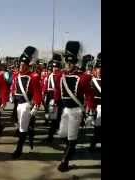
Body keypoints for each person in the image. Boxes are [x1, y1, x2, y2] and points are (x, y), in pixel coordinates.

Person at [54, 41, 94, 172]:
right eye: (67, 61)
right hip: (65, 110)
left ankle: (65, 161)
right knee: (63, 134)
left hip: (76, 111)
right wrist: (54, 106)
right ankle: (71, 149)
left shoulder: (83, 77)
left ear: (75, 62)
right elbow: (57, 93)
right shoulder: (60, 76)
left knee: (71, 136)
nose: (69, 64)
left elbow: (89, 95)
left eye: (71, 62)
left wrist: (90, 111)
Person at [10, 46, 42, 158]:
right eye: (20, 65)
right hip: (18, 104)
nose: (21, 67)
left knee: (22, 128)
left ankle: (19, 149)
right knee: (21, 126)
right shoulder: (16, 75)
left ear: (28, 66)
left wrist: (36, 106)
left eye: (23, 65)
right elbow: (14, 86)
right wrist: (11, 94)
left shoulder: (33, 77)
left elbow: (38, 93)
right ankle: (29, 133)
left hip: (26, 105)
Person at [43, 54, 64, 143]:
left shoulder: (62, 76)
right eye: (53, 67)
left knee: (58, 119)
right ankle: (51, 136)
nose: (55, 69)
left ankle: (57, 136)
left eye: (57, 67)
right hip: (51, 98)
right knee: (54, 120)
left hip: (60, 100)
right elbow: (45, 88)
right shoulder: (49, 76)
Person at [87, 52, 101, 152]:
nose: (100, 71)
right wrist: (89, 110)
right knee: (97, 128)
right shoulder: (92, 80)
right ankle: (93, 145)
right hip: (97, 107)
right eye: (98, 69)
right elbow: (88, 97)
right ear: (95, 70)